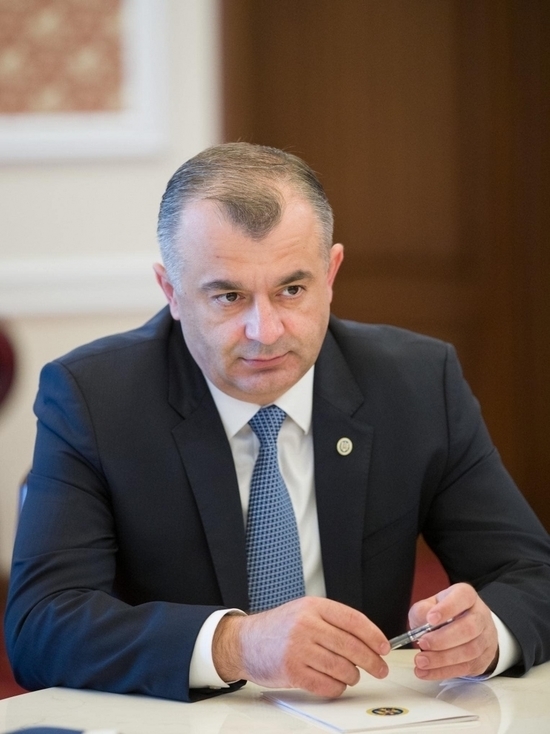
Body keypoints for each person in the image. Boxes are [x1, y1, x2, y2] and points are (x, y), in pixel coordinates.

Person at [5, 143, 550, 703]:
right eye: (229, 296)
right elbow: (41, 626)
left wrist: (490, 633)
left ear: (331, 273)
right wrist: (237, 645)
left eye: (292, 290)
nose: (265, 331)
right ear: (171, 292)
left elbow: (533, 574)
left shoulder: (417, 383)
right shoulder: (93, 398)